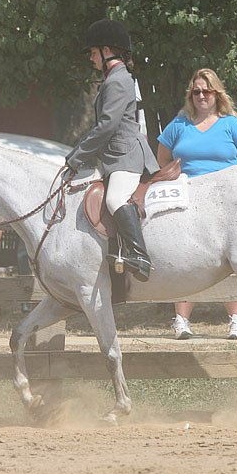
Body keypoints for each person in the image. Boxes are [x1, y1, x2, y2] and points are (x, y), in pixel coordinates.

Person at [156, 68, 237, 340]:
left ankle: (236, 320)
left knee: (234, 260)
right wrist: (177, 177)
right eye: (196, 91)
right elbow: (162, 158)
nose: (201, 96)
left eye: (207, 91)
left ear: (216, 93)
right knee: (183, 257)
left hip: (227, 202)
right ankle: (181, 320)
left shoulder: (232, 124)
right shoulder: (179, 124)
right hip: (188, 197)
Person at [65, 19, 160, 281]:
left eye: (93, 53)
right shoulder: (114, 79)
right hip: (114, 155)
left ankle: (140, 256)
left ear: (107, 51)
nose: (91, 59)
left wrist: (76, 157)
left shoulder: (118, 81)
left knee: (115, 199)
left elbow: (107, 126)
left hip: (125, 155)